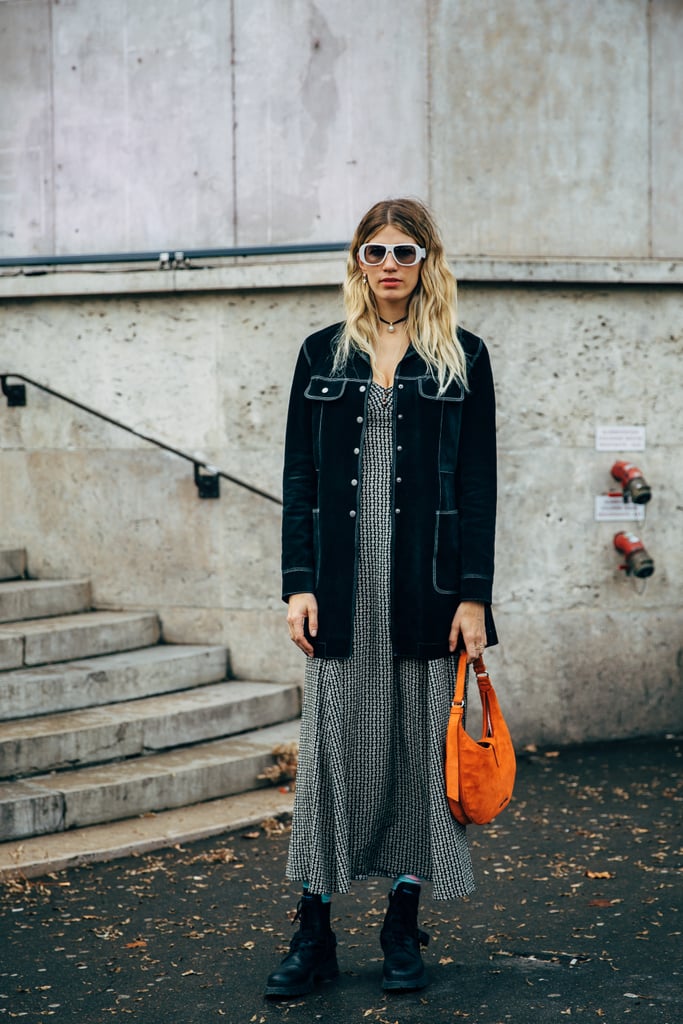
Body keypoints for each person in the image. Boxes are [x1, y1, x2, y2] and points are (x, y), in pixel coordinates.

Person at [265, 197, 497, 998]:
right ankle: (314, 930)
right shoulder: (320, 355)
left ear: (428, 261)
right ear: (357, 262)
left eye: (405, 251)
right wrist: (296, 582)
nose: (390, 264)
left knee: (413, 758)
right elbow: (298, 477)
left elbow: (475, 486)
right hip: (338, 586)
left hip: (425, 588)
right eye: (375, 251)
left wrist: (474, 598)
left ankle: (403, 922)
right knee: (330, 755)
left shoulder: (460, 357)